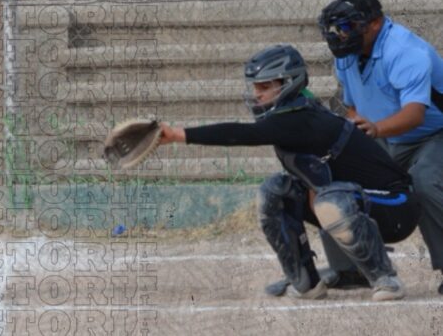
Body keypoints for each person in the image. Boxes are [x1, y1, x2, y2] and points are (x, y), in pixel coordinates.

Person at [158, 44, 419, 301]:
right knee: (275, 191)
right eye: (255, 86)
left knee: (333, 200)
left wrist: (177, 135)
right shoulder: (292, 114)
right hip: (358, 202)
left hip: (396, 206)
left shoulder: (302, 119)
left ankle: (386, 279)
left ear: (289, 82)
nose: (256, 94)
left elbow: (242, 133)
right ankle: (306, 281)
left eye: (264, 86)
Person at [319, 0, 443, 295]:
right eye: (335, 28)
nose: (338, 34)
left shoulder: (405, 51)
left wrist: (374, 129)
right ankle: (351, 268)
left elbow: (415, 114)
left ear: (374, 23)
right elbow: (352, 106)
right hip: (388, 135)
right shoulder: (347, 54)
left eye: (346, 26)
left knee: (424, 181)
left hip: (433, 134)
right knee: (331, 175)